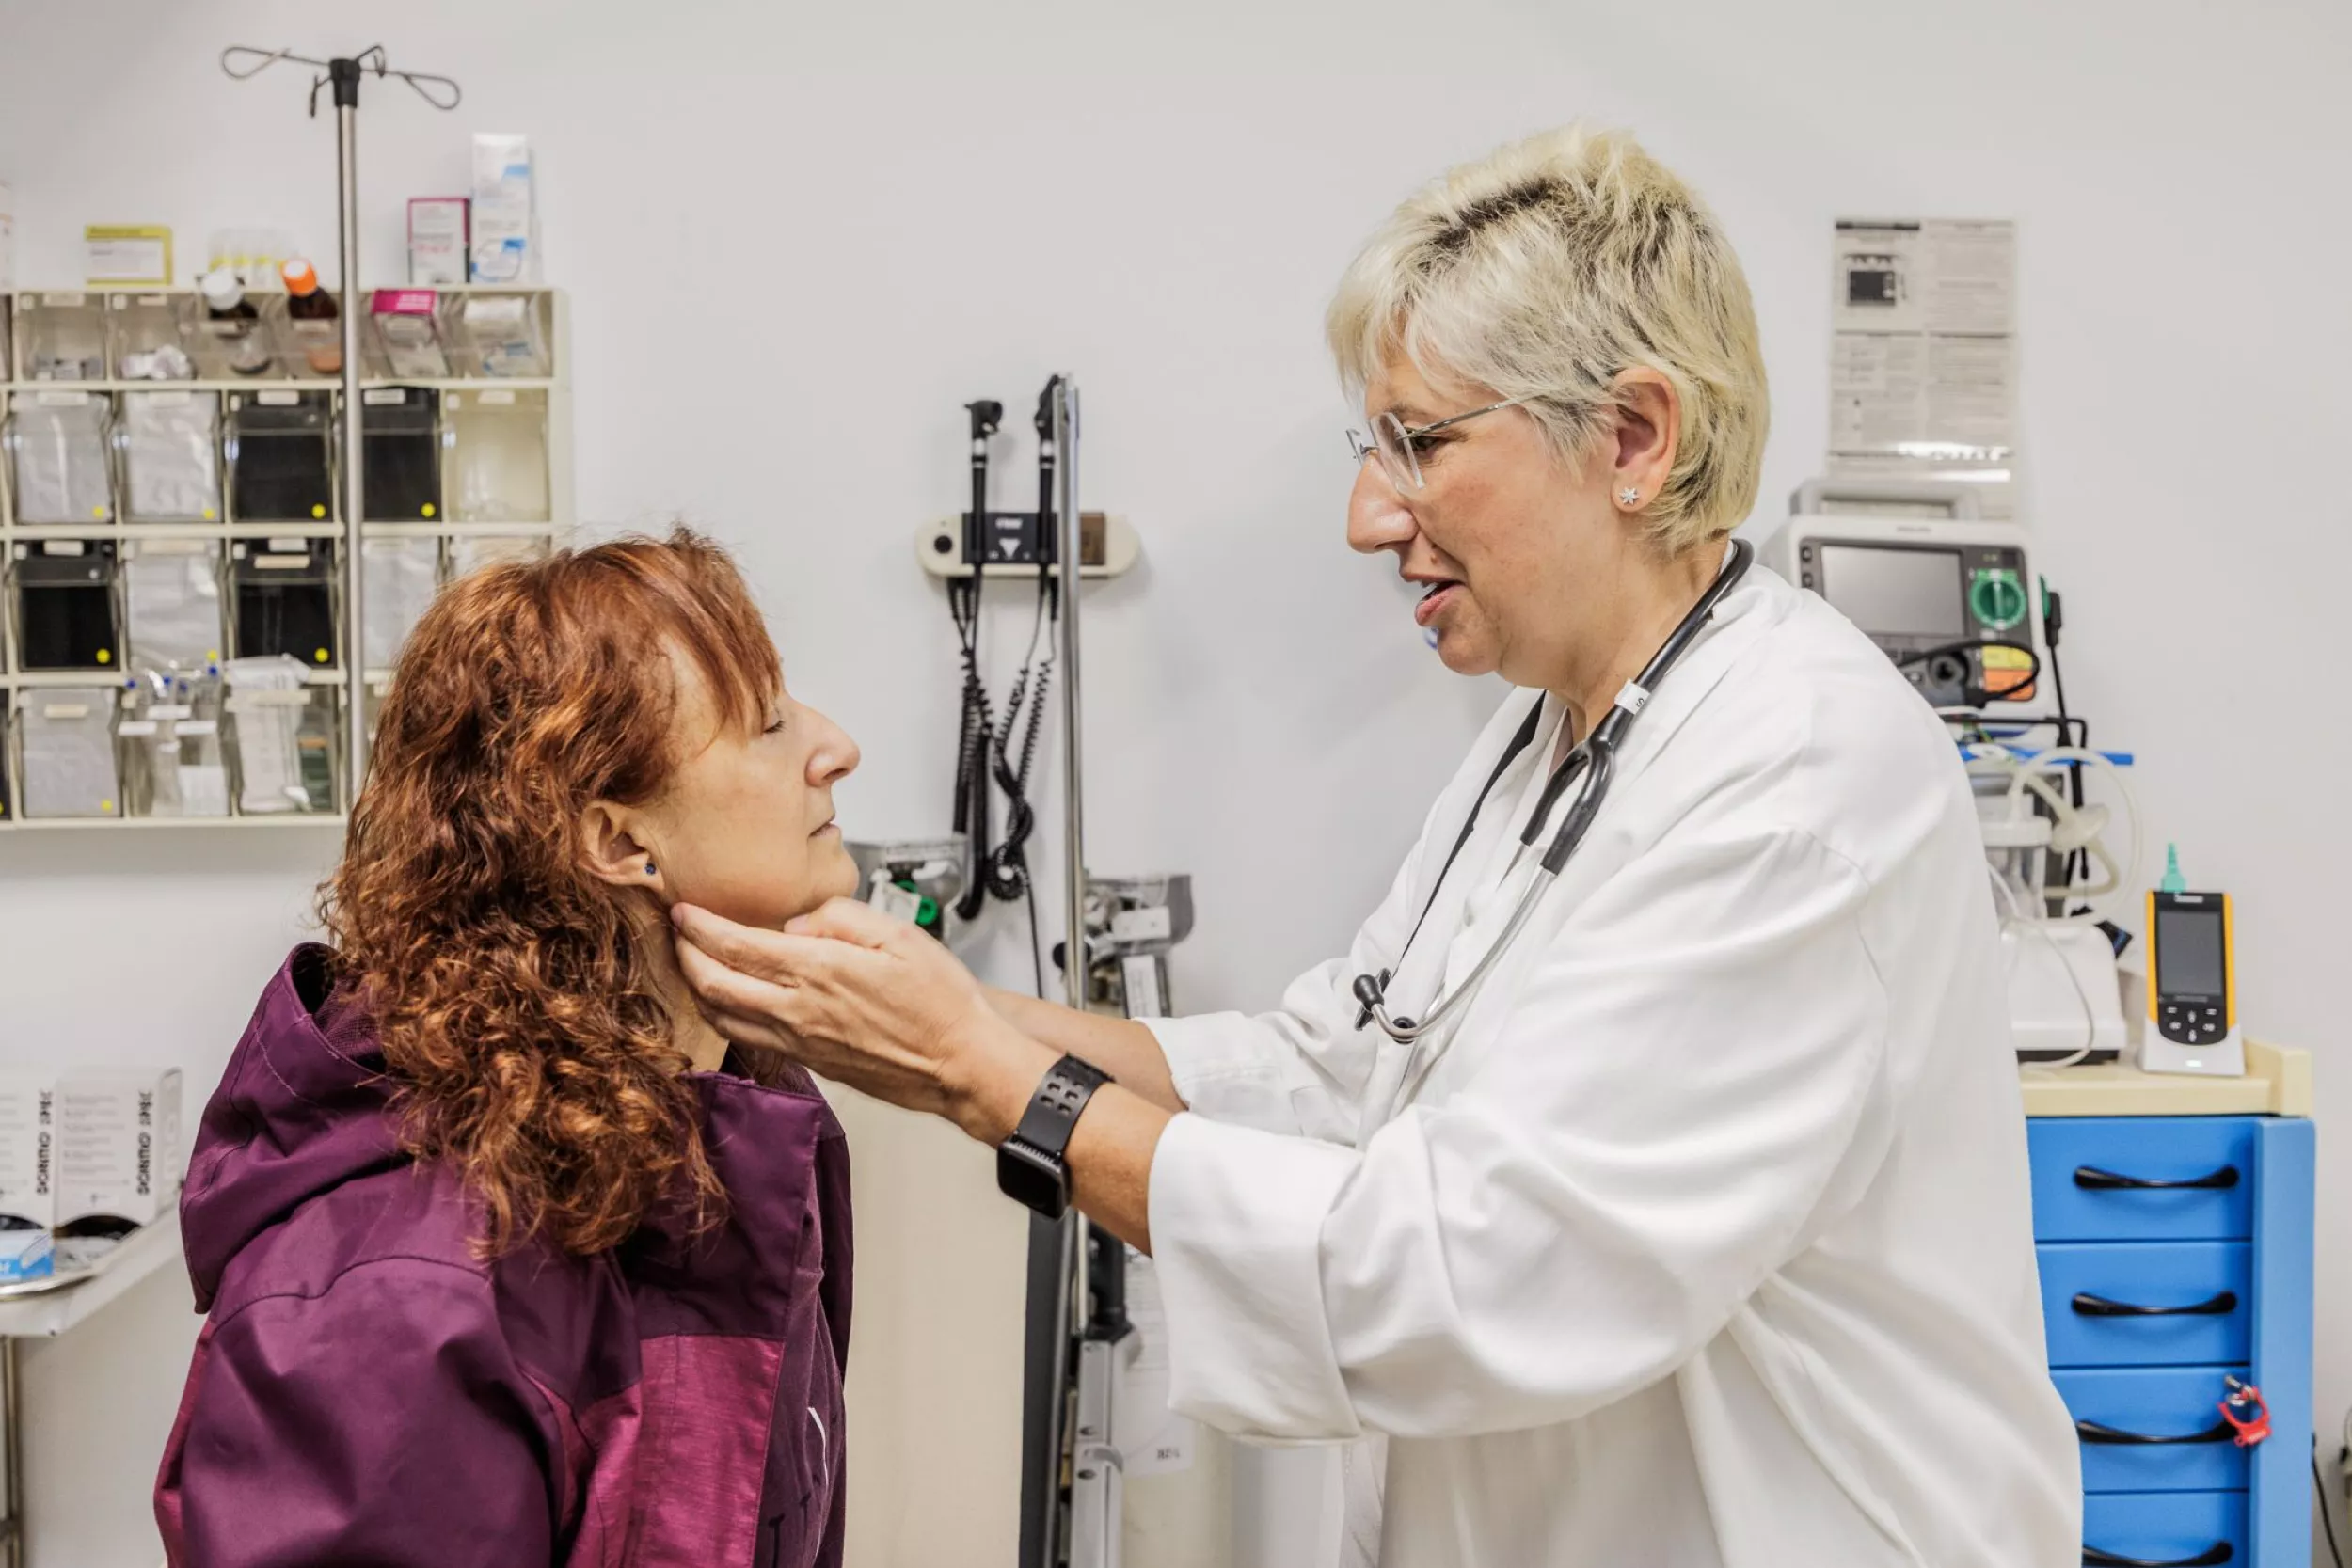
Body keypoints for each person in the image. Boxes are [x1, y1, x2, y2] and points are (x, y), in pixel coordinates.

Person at [671, 125, 2080, 1566]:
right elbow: (1339, 1066)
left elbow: (1473, 1273)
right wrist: (935, 1007)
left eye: (1421, 441)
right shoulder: (1556, 733)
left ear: (1635, 439)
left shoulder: (1793, 777)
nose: (1367, 514)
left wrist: (984, 1076)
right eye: (1374, 443)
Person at [155, 531, 861, 1568]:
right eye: (766, 722)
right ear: (621, 842)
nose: (836, 744)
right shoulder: (400, 1296)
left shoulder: (740, 1124)